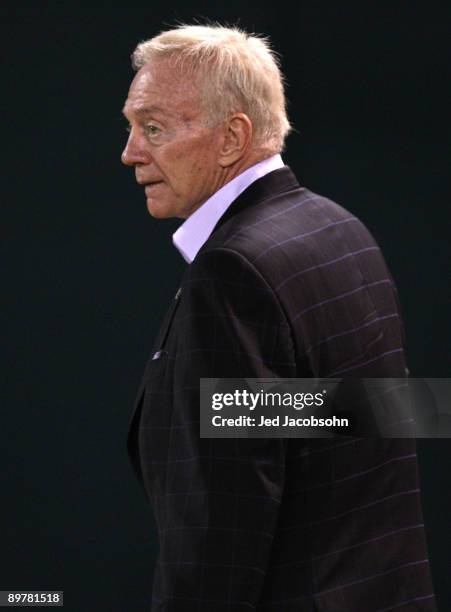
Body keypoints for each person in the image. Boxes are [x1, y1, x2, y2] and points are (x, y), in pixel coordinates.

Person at [121, 24, 436, 612]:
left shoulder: (234, 269)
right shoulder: (342, 229)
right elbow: (391, 416)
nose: (131, 151)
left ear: (231, 138)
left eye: (154, 128)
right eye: (133, 126)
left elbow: (223, 530)